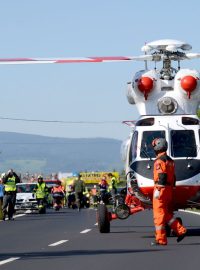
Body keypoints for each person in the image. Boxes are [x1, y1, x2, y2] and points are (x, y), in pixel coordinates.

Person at [151, 138, 187, 246]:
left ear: (157, 146)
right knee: (165, 214)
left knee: (158, 215)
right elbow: (173, 177)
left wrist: (158, 190)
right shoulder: (170, 160)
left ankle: (161, 239)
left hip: (161, 190)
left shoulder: (159, 161)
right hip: (168, 190)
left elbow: (161, 176)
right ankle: (180, 230)